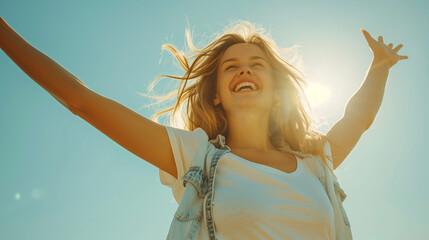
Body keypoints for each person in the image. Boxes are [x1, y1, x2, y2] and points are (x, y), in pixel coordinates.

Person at [0, 17, 408, 239]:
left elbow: (358, 118)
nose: (244, 68)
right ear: (217, 95)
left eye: (256, 63)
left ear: (278, 92)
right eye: (231, 66)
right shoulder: (196, 156)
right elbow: (82, 102)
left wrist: (379, 68)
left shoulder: (315, 163)